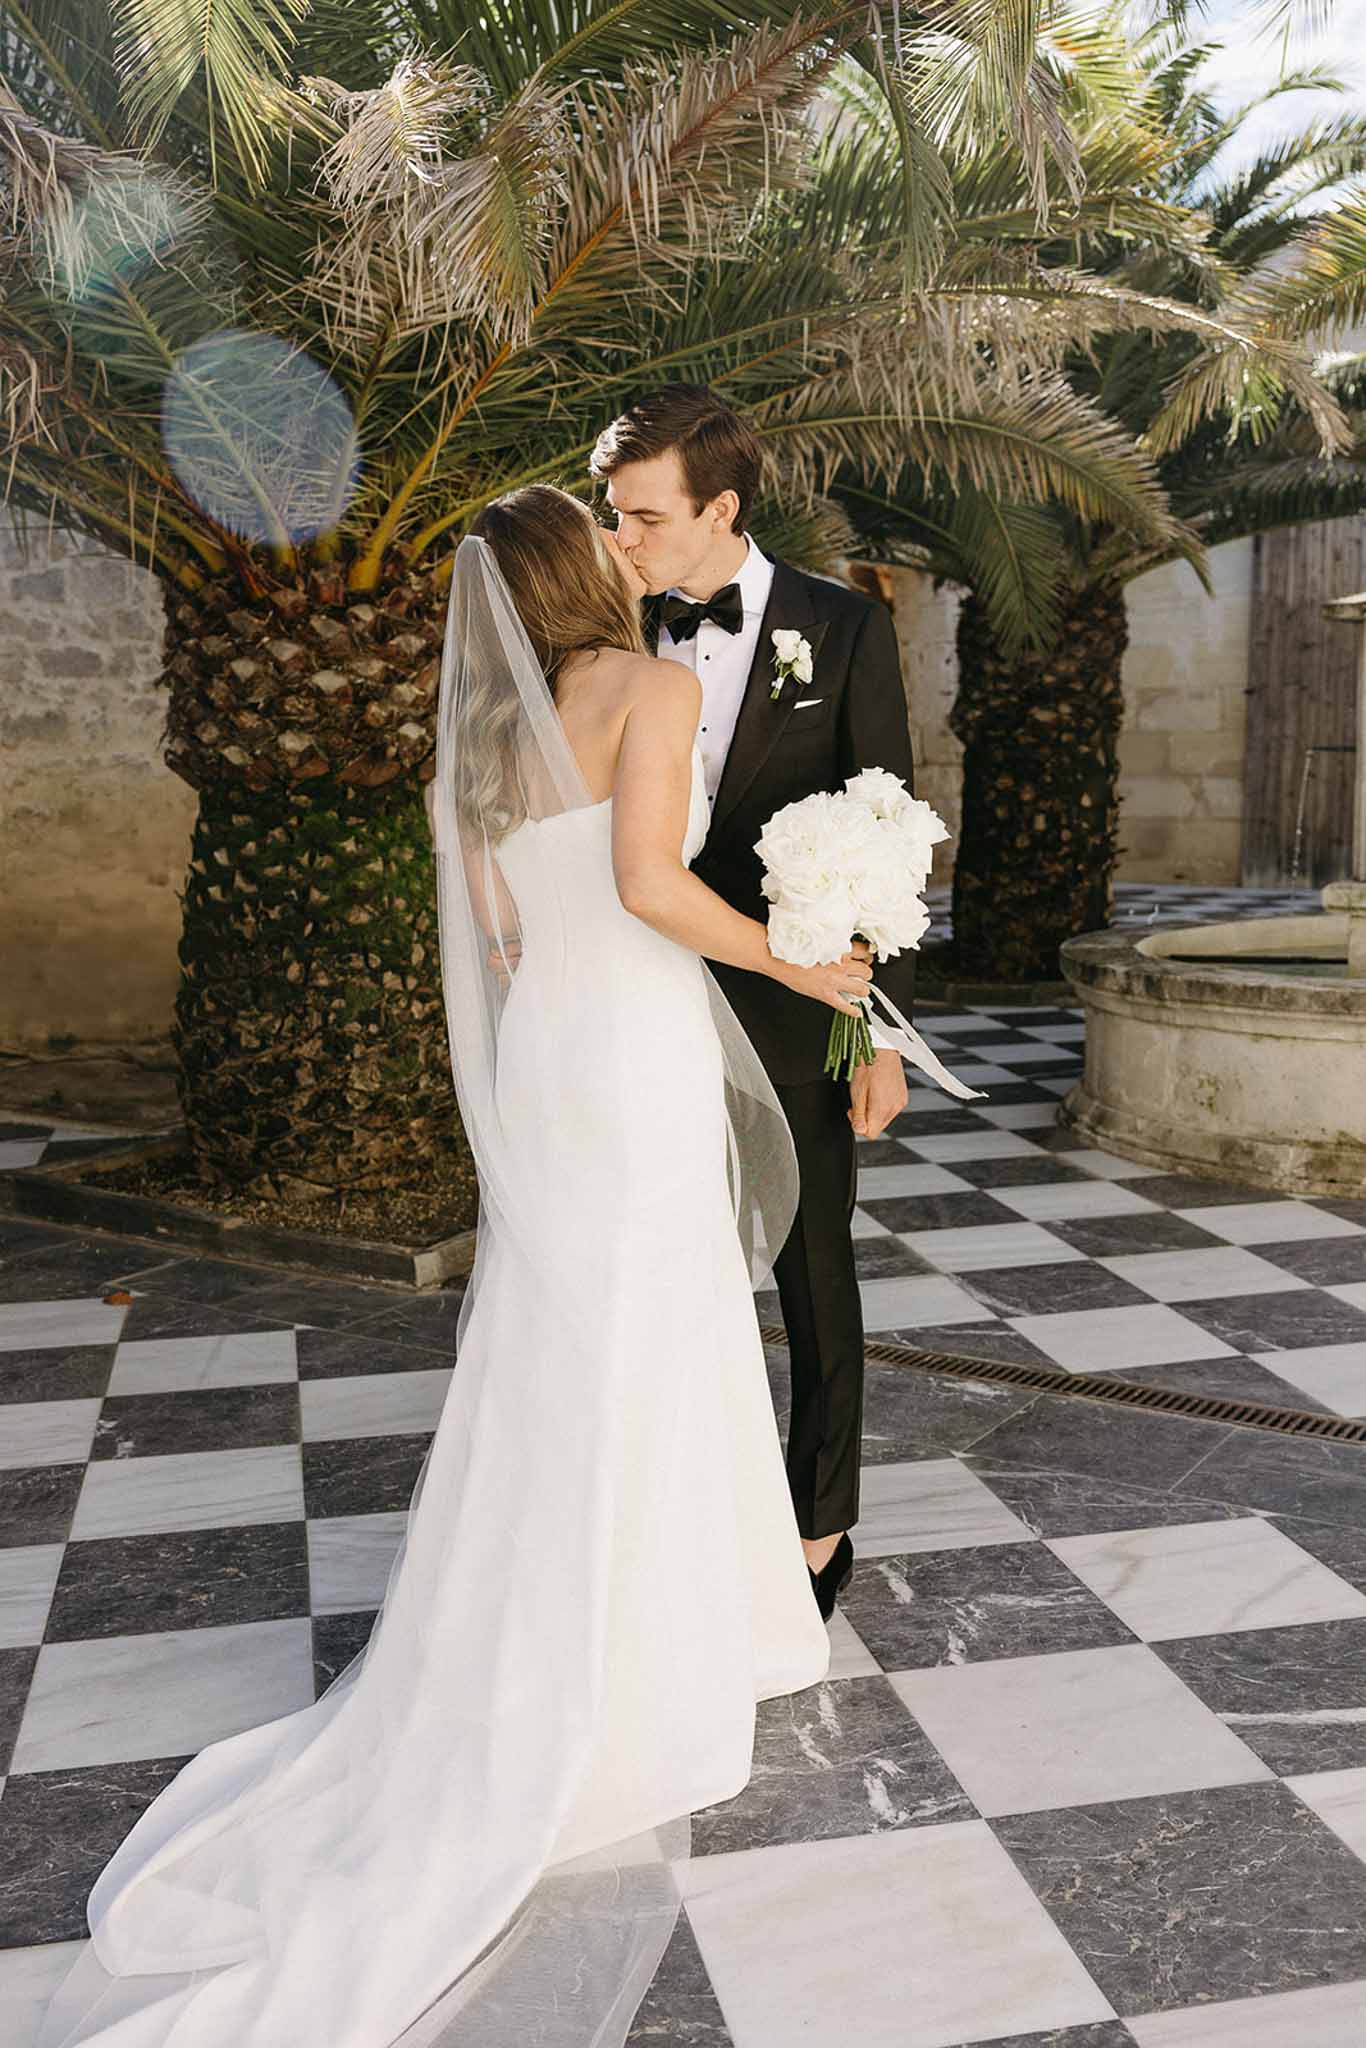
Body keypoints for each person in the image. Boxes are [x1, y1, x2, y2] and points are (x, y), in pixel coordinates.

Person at [35, 482, 875, 2048]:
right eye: (610, 535)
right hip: (627, 1043)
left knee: (574, 1334)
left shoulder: (490, 736)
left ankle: (575, 1617)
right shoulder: (654, 685)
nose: (635, 552)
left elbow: (496, 925)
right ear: (579, 571)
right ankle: (660, 1649)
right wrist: (791, 954)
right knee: (652, 1327)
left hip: (559, 1041)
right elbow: (646, 888)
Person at [589, 383, 922, 1620]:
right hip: (640, 989)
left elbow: (881, 827)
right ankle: (676, 1517)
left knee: (811, 1259)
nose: (619, 537)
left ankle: (817, 1520)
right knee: (661, 1254)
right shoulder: (600, 629)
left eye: (642, 516)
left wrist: (871, 1027)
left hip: (797, 998)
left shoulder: (841, 627)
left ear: (719, 508)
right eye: (609, 512)